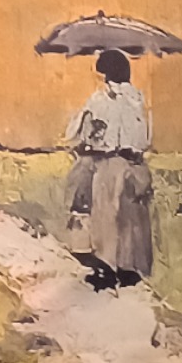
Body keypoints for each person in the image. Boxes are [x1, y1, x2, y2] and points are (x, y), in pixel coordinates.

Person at [64, 49, 154, 287]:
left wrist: (86, 141)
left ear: (105, 74)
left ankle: (107, 269)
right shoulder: (138, 99)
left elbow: (85, 134)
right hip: (137, 165)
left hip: (110, 164)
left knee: (107, 218)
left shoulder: (101, 100)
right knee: (131, 220)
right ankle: (130, 270)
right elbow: (144, 138)